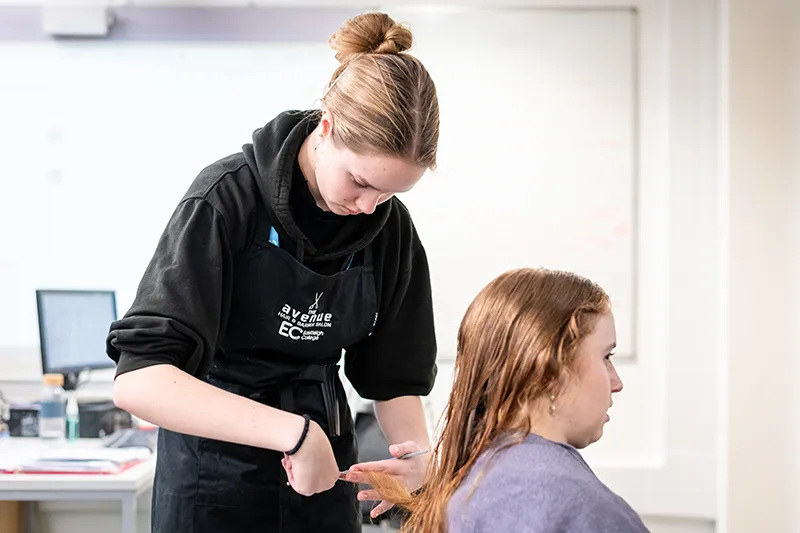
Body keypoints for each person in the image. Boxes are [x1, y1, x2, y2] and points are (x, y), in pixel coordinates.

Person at [106, 12, 439, 533]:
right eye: (358, 181)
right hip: (211, 480)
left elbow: (395, 377)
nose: (370, 207)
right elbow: (141, 381)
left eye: (391, 193)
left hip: (325, 476)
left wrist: (417, 458)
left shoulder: (388, 228)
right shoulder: (226, 200)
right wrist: (295, 434)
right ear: (325, 127)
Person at [348, 268, 650, 533]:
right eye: (605, 356)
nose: (616, 383)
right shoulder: (576, 506)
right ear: (551, 370)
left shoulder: (471, 480)